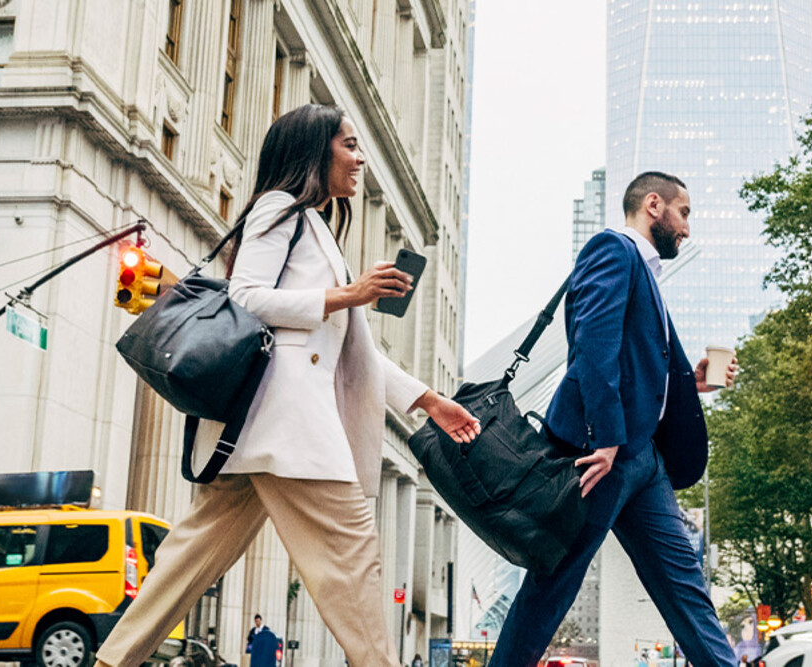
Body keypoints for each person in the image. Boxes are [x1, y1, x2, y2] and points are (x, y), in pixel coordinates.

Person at [94, 103, 480, 667]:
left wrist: (427, 400)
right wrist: (348, 294)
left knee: (187, 559)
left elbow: (356, 353)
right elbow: (247, 296)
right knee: (353, 562)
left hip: (253, 434)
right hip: (289, 429)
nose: (359, 158)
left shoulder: (313, 225)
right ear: (313, 151)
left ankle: (111, 661)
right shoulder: (279, 209)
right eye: (348, 145)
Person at [489, 172, 740, 667]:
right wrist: (604, 439)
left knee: (685, 585)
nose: (687, 228)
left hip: (643, 459)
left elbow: (634, 365)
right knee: (554, 584)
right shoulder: (613, 250)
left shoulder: (645, 270)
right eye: (683, 213)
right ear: (654, 205)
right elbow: (592, 349)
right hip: (601, 455)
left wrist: (692, 380)